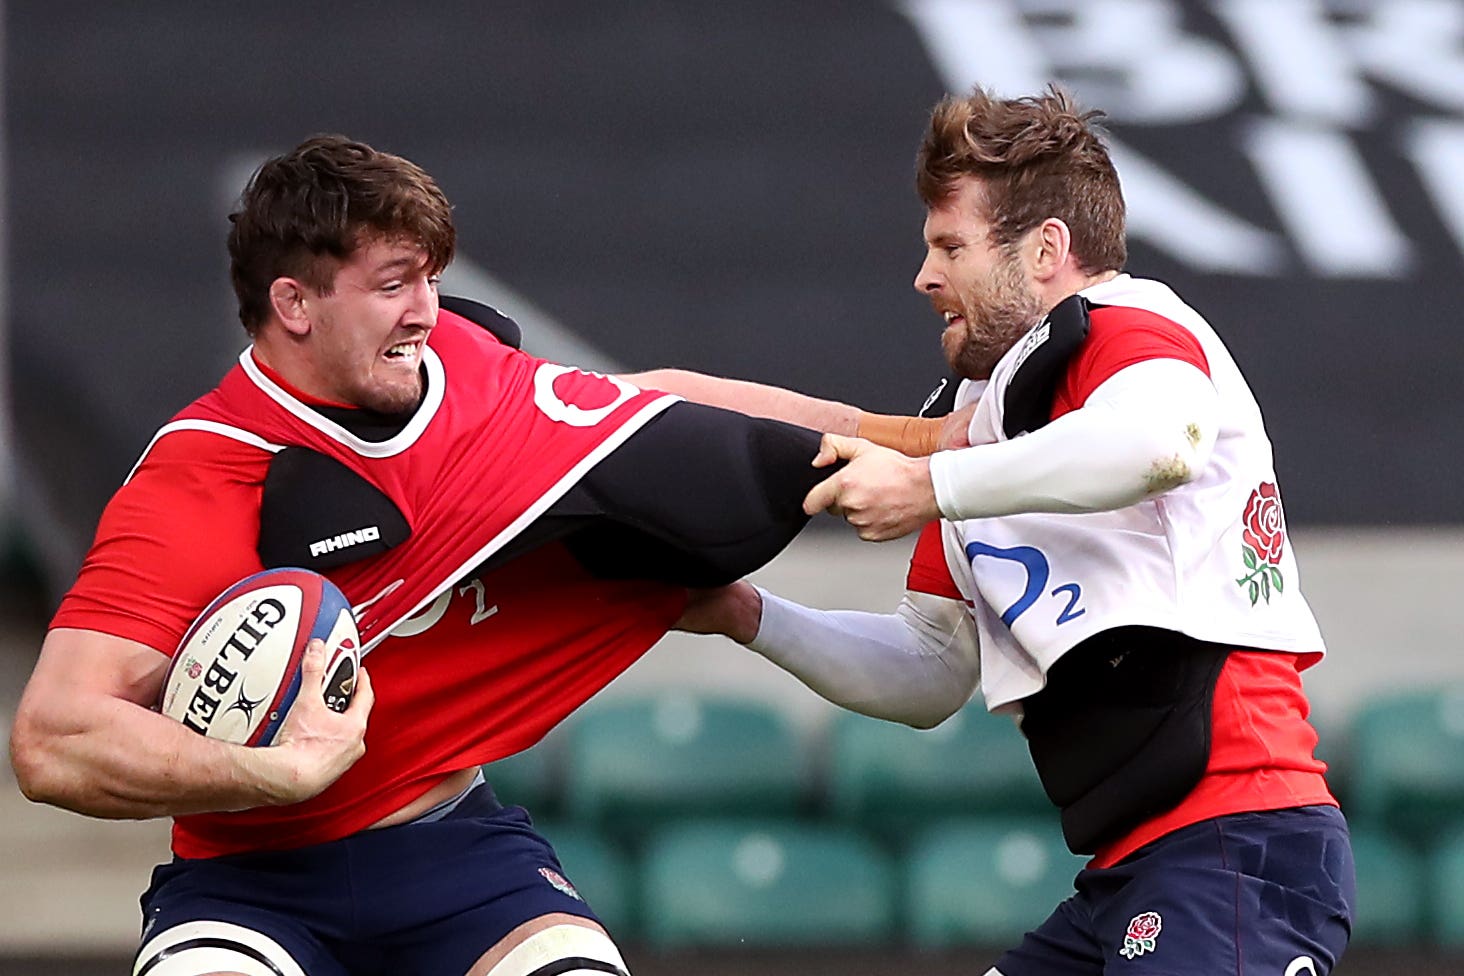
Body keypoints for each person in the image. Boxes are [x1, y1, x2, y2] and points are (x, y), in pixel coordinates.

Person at [5, 134, 948, 976]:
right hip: (248, 883)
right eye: (391, 285)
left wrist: (917, 441)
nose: (426, 311)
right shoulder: (199, 477)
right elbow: (54, 740)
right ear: (292, 302)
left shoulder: (462, 364)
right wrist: (280, 775)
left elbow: (660, 401)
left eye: (429, 279)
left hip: (453, 853)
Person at [679, 86, 1356, 976]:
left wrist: (929, 482)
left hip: (1239, 844)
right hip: (1133, 872)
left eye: (951, 246)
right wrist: (744, 612)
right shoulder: (984, 421)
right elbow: (928, 671)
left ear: (1046, 251)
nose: (925, 277)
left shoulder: (1128, 324)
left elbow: (1164, 442)